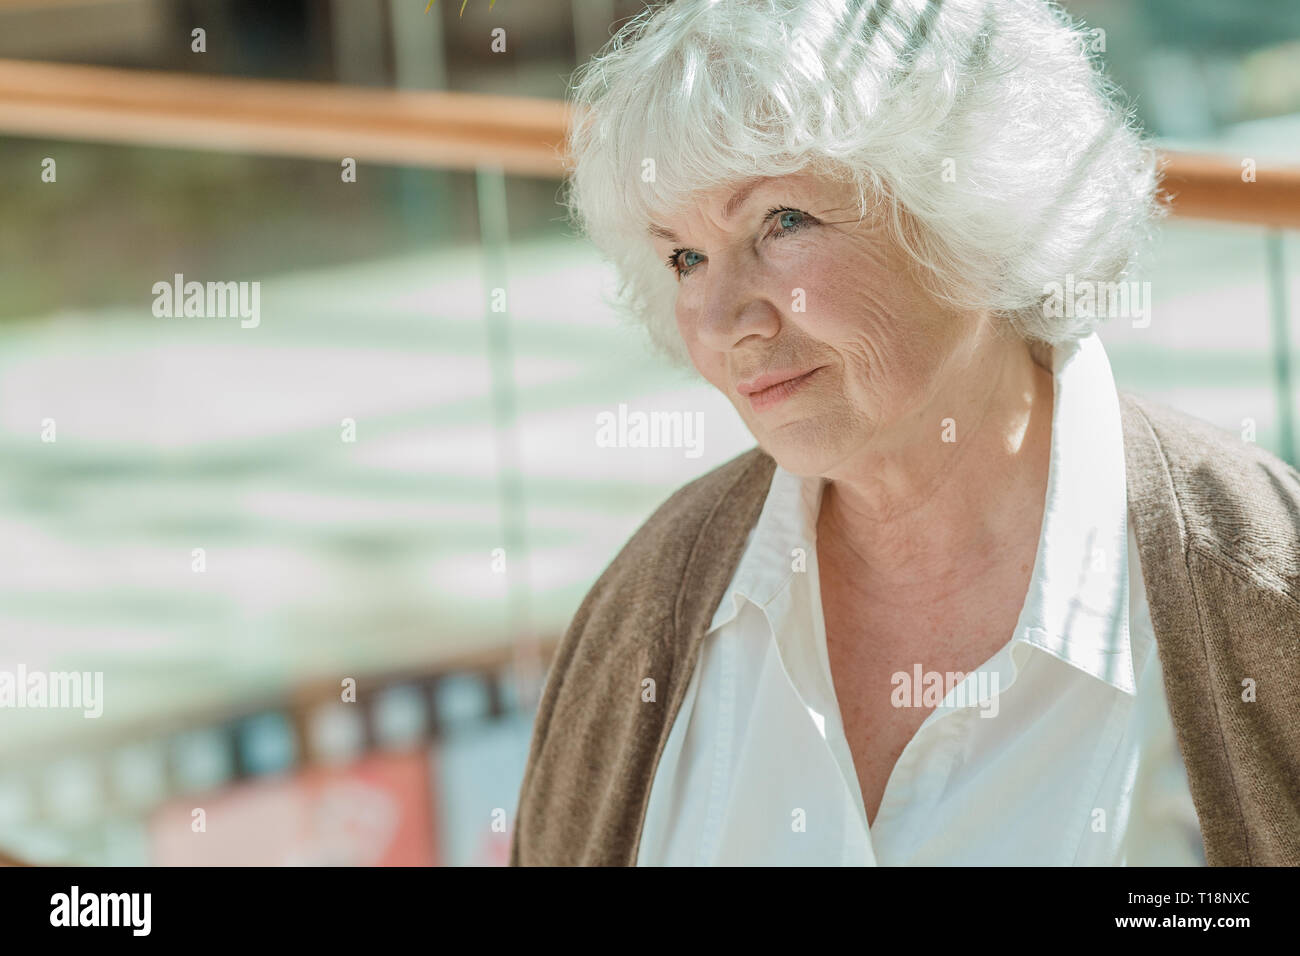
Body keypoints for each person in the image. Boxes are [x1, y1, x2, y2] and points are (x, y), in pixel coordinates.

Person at [511, 0, 1300, 865]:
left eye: (782, 221)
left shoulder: (1261, 590)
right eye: (685, 257)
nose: (721, 318)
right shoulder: (647, 615)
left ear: (977, 210)